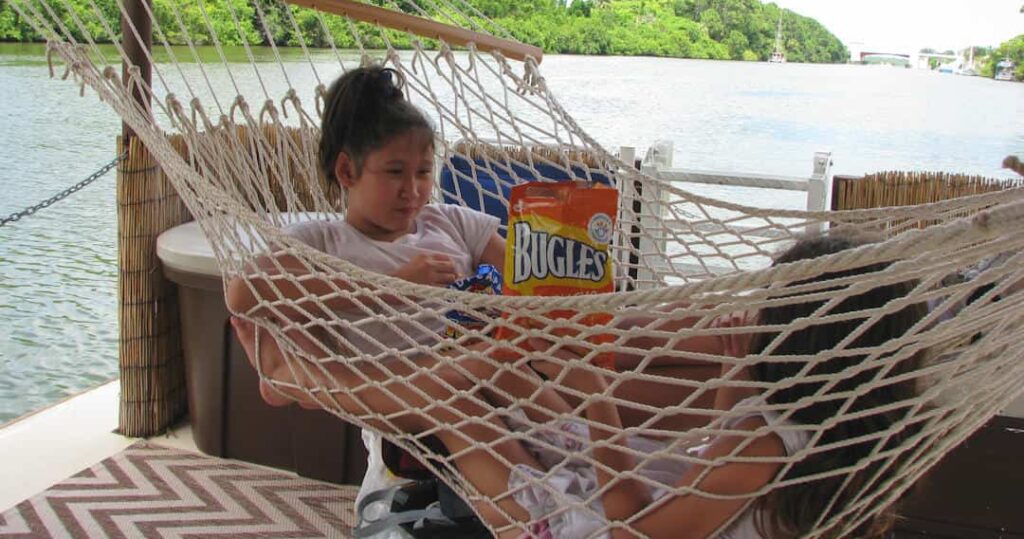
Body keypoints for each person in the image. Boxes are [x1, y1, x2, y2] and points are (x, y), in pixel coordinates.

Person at [233, 230, 928, 539]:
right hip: (642, 488)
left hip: (587, 527)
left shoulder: (760, 449)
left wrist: (594, 394)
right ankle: (295, 378)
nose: (756, 308)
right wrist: (731, 375)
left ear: (802, 339)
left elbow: (630, 528)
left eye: (771, 305)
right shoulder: (835, 429)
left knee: (451, 409)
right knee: (498, 365)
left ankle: (296, 378)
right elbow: (712, 458)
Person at [225, 64, 507, 517]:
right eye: (395, 171)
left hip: (494, 368)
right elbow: (243, 293)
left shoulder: (452, 222)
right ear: (346, 170)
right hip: (409, 396)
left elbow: (530, 286)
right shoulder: (322, 243)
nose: (412, 191)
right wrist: (395, 287)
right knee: (474, 392)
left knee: (630, 339)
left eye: (423, 171)